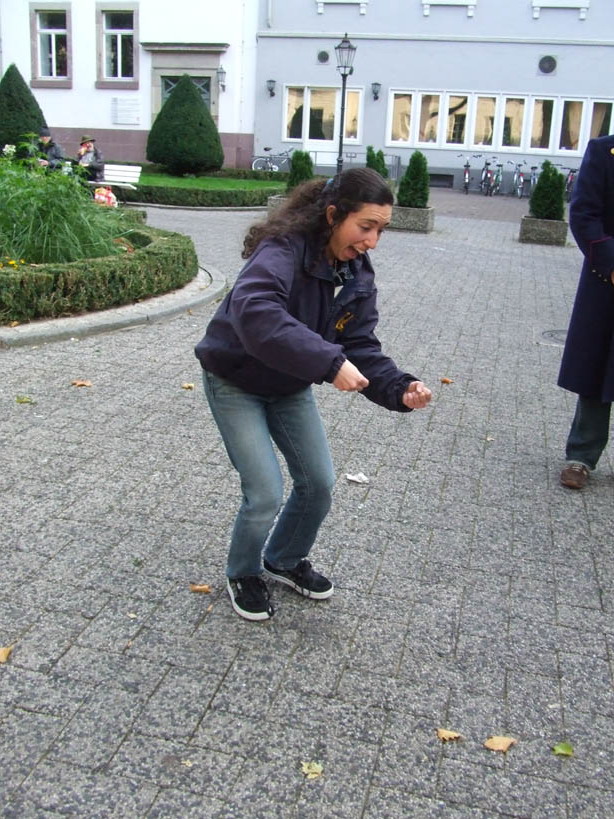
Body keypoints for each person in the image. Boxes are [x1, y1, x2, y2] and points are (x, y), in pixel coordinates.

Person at [194, 168, 432, 621]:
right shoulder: (282, 249)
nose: (373, 241)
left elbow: (359, 343)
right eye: (366, 226)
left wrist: (399, 387)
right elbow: (256, 310)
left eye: (381, 230)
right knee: (265, 492)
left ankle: (283, 559)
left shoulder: (356, 271)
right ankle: (243, 572)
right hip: (235, 381)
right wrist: (328, 362)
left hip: (288, 385)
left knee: (319, 482)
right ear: (333, 215)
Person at [558, 133, 614, 489]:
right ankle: (581, 455)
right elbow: (584, 214)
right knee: (599, 366)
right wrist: (611, 264)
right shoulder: (604, 151)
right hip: (608, 281)